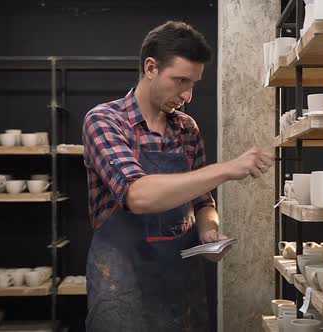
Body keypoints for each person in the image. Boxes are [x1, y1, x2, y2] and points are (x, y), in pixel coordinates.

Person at [82, 20, 274, 332]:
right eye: (180, 81)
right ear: (150, 68)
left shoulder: (187, 129)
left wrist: (209, 230)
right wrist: (225, 169)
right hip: (122, 286)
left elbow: (201, 200)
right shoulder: (105, 121)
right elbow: (138, 195)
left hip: (180, 287)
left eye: (193, 84)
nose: (187, 95)